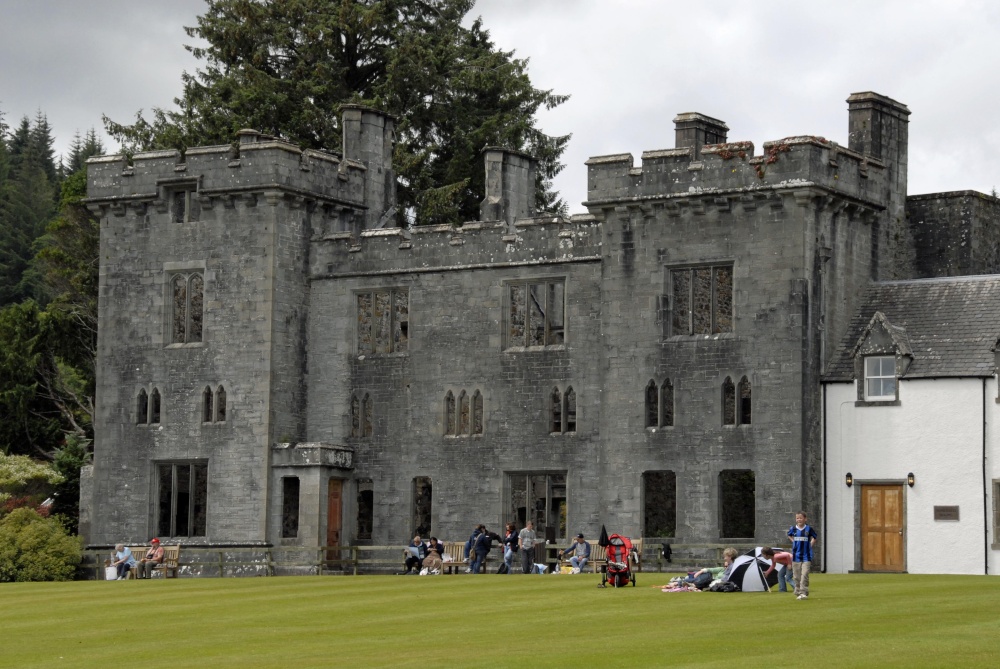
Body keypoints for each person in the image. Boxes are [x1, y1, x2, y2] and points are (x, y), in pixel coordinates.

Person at [788, 511, 818, 600]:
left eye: (801, 518)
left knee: (804, 574)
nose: (799, 519)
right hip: (796, 556)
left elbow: (815, 537)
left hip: (806, 556)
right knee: (796, 576)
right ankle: (797, 591)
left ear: (805, 519)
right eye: (797, 518)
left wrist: (810, 544)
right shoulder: (793, 529)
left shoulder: (808, 529)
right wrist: (794, 542)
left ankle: (803, 592)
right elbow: (789, 535)